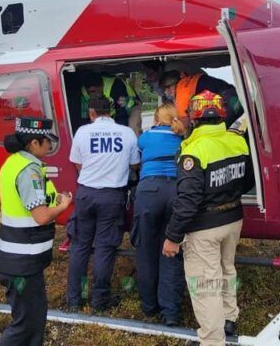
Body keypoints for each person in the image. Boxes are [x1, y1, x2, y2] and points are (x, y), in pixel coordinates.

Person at [162, 91, 253, 345]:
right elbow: (247, 180)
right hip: (233, 218)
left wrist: (172, 236)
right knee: (226, 269)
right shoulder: (237, 141)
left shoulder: (193, 150)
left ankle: (213, 340)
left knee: (205, 284)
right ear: (222, 114)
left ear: (193, 117)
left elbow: (187, 200)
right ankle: (229, 319)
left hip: (204, 227)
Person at [0, 117, 73, 346]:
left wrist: (52, 200)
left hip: (16, 259)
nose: (50, 146)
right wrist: (63, 205)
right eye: (47, 141)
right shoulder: (30, 171)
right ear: (33, 144)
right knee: (26, 324)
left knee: (33, 319)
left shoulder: (15, 162)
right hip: (21, 263)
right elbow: (41, 216)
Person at [66, 97, 140, 312]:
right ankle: (99, 301)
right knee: (104, 249)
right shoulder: (126, 133)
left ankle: (74, 300)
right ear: (111, 112)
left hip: (86, 194)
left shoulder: (82, 132)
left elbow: (77, 163)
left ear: (91, 113)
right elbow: (135, 164)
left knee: (79, 246)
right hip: (112, 196)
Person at [133, 104, 186, 326]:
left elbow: (137, 159)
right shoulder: (183, 139)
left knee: (146, 250)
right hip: (176, 191)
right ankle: (171, 313)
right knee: (171, 251)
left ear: (156, 118)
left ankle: (149, 306)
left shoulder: (146, 136)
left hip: (149, 192)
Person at [160, 70, 241, 128]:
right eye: (165, 89)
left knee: (221, 130)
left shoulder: (182, 91)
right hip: (234, 94)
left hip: (228, 99)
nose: (167, 92)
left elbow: (184, 123)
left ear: (175, 83)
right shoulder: (189, 80)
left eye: (168, 88)